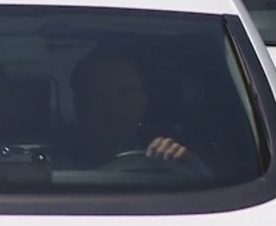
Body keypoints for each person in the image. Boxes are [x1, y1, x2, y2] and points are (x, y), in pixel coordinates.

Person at [63, 48, 196, 168]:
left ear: (142, 101)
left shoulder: (170, 151)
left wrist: (183, 165)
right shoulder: (52, 164)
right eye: (99, 94)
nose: (113, 105)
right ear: (79, 104)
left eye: (125, 93)